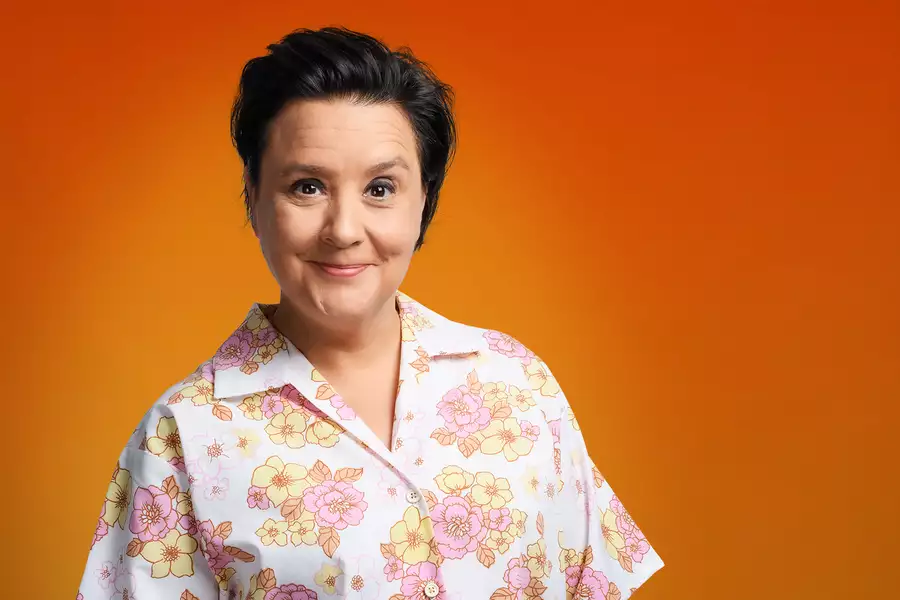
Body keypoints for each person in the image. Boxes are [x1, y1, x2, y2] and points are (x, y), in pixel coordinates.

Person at [76, 26, 664, 600]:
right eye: (307, 186)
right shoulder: (181, 436)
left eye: (380, 188)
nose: (344, 230)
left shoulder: (517, 383)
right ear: (253, 196)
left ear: (423, 199)